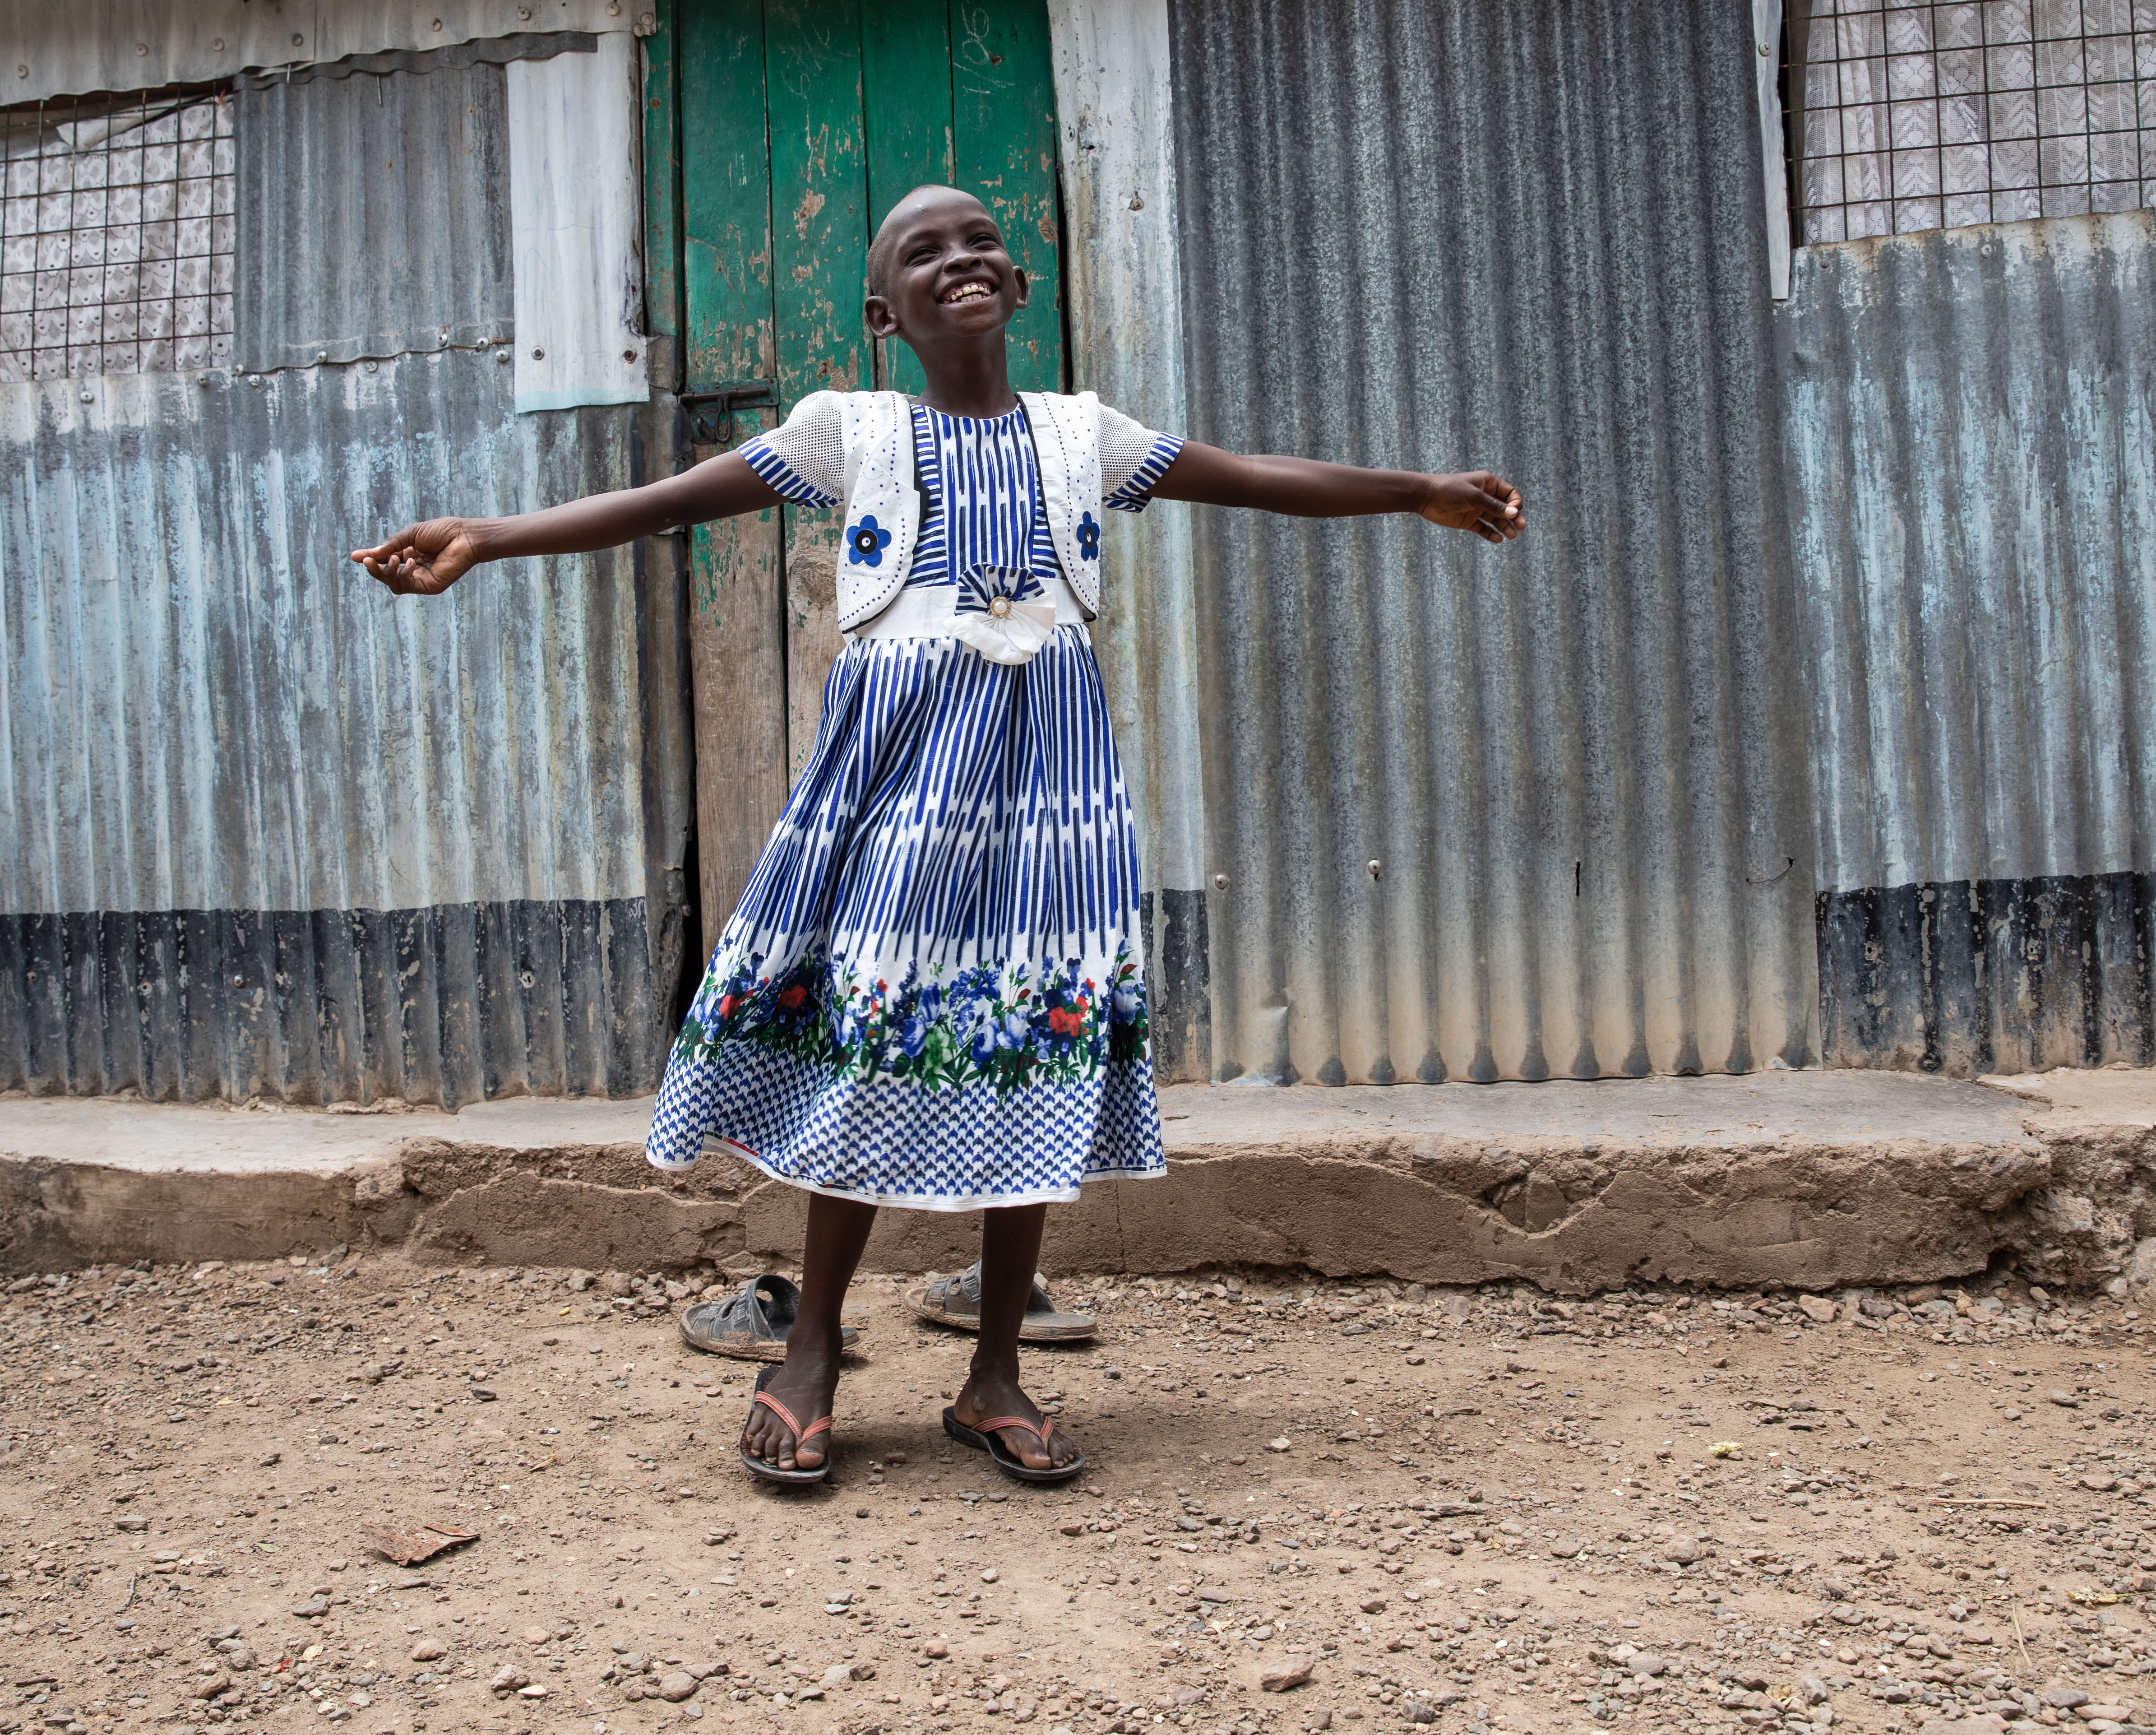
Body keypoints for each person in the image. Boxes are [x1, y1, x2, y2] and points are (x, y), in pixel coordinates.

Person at [352, 185, 1524, 1487]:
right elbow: (670, 502)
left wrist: (1415, 488)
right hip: (901, 780)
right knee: (876, 1021)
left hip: (1052, 792)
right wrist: (490, 537)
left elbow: (1251, 479)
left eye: (980, 244)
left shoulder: (1086, 434)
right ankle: (806, 1348)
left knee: (1036, 1034)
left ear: (1019, 289)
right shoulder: (844, 431)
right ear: (881, 314)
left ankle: (996, 1373)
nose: (959, 259)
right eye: (923, 251)